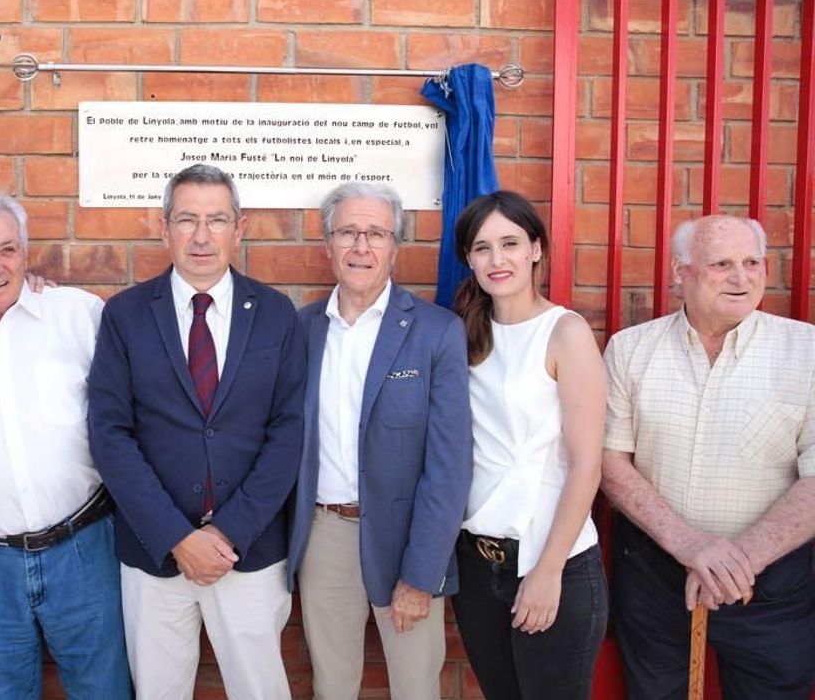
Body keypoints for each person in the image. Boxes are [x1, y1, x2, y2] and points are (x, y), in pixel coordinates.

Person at [87, 163, 303, 699]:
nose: (202, 236)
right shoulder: (126, 316)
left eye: (217, 220)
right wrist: (178, 538)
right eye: (187, 220)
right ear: (164, 228)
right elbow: (110, 434)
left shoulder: (277, 314)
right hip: (154, 553)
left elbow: (289, 433)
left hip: (248, 552)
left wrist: (226, 533)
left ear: (240, 227)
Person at [0, 194, 130, 699]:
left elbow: (131, 415)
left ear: (26, 251)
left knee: (105, 691)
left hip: (84, 549)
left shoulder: (79, 313)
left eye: (7, 250)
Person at [602, 214, 815, 699]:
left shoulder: (807, 350)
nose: (742, 277)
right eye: (721, 263)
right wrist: (691, 546)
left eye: (753, 262)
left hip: (772, 585)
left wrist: (737, 560)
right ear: (681, 272)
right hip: (656, 576)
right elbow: (611, 464)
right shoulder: (631, 350)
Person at [286, 182, 472, 700]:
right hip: (325, 536)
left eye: (376, 233)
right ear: (327, 245)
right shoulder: (301, 330)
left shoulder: (436, 332)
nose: (361, 246)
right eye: (347, 232)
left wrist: (422, 573)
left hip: (408, 539)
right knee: (332, 685)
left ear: (395, 246)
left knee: (416, 687)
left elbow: (449, 466)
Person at [449, 191, 608, 700]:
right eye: (482, 248)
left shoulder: (564, 332)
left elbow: (587, 463)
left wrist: (548, 570)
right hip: (477, 565)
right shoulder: (465, 335)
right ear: (469, 259)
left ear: (536, 249)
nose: (498, 260)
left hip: (550, 561)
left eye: (510, 243)